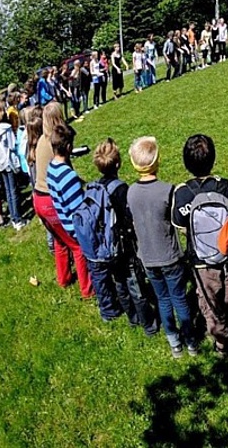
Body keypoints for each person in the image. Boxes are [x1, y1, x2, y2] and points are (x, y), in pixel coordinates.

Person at [172, 134, 228, 356]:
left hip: (202, 265)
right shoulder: (226, 187)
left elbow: (181, 226)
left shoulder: (182, 193)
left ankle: (221, 344)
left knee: (211, 305)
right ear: (213, 159)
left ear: (186, 163)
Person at [127, 136, 198, 358]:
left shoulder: (130, 192)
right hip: (170, 255)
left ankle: (174, 343)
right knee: (179, 297)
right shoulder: (169, 190)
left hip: (147, 257)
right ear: (157, 161)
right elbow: (178, 221)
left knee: (163, 299)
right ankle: (191, 342)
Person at [82, 138, 157, 333]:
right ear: (118, 164)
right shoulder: (121, 189)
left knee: (120, 284)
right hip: (124, 247)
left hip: (106, 246)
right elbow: (129, 218)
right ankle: (148, 325)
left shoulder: (95, 188)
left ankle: (132, 318)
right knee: (135, 286)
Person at [44, 122, 94, 298]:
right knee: (80, 252)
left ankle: (67, 280)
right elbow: (79, 210)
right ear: (68, 146)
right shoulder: (68, 175)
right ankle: (88, 289)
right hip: (73, 227)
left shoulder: (51, 167)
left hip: (61, 220)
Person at [0, 101, 27, 230]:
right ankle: (18, 219)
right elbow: (12, 145)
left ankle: (13, 217)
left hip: (1, 164)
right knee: (14, 191)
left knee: (8, 191)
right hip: (10, 162)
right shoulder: (6, 128)